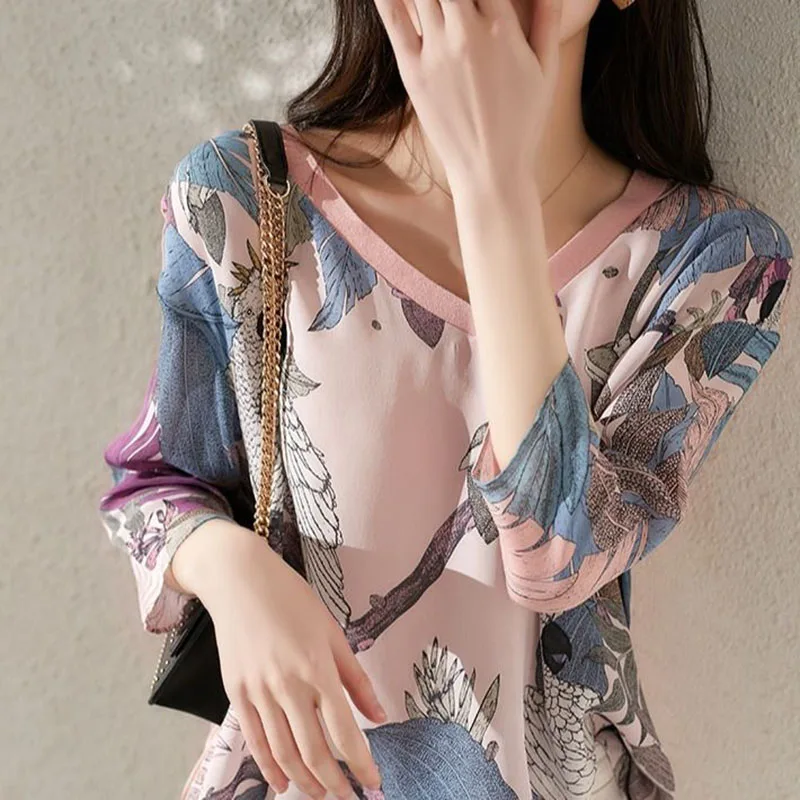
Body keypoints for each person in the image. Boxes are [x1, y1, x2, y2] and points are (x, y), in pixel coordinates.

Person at [97, 0, 794, 797]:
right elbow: (153, 486)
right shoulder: (246, 198)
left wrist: (491, 183)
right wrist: (231, 570)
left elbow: (558, 554)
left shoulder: (719, 262)